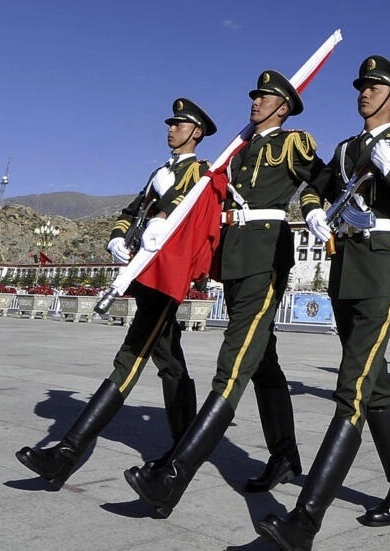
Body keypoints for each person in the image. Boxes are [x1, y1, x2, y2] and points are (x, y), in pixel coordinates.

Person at [256, 55, 390, 550]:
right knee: (374, 386)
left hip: (382, 266)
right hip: (346, 270)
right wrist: (314, 214)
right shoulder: (345, 149)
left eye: (375, 87)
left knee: (351, 389)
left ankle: (305, 520)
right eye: (361, 86)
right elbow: (316, 189)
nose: (364, 92)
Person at [125, 70, 325, 518]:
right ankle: (285, 455)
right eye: (255, 95)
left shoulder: (292, 142)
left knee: (232, 365)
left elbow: (321, 180)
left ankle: (172, 476)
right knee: (262, 362)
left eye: (266, 96)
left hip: (265, 258)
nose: (256, 101)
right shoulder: (239, 150)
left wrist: (311, 210)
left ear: (284, 106)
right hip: (234, 260)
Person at [16, 99, 216, 489]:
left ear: (196, 132)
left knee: (131, 357)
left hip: (165, 277)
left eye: (178, 124)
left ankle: (67, 453)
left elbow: (190, 214)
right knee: (170, 360)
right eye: (170, 124)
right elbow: (131, 211)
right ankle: (185, 445)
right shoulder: (160, 171)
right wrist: (117, 237)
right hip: (143, 272)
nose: (170, 129)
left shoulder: (200, 172)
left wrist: (172, 193)